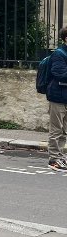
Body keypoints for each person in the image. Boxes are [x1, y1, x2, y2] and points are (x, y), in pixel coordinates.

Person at [45, 26, 67, 172]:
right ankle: (53, 159)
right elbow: (60, 73)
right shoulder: (59, 54)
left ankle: (61, 156)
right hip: (58, 97)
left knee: (65, 130)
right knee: (56, 129)